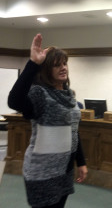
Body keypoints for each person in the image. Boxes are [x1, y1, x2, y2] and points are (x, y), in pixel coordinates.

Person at [8, 34, 88, 208]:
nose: (63, 68)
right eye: (56, 65)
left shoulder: (70, 96)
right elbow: (13, 101)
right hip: (42, 172)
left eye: (64, 63)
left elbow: (74, 131)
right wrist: (33, 64)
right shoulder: (40, 94)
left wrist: (80, 162)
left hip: (64, 169)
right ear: (45, 70)